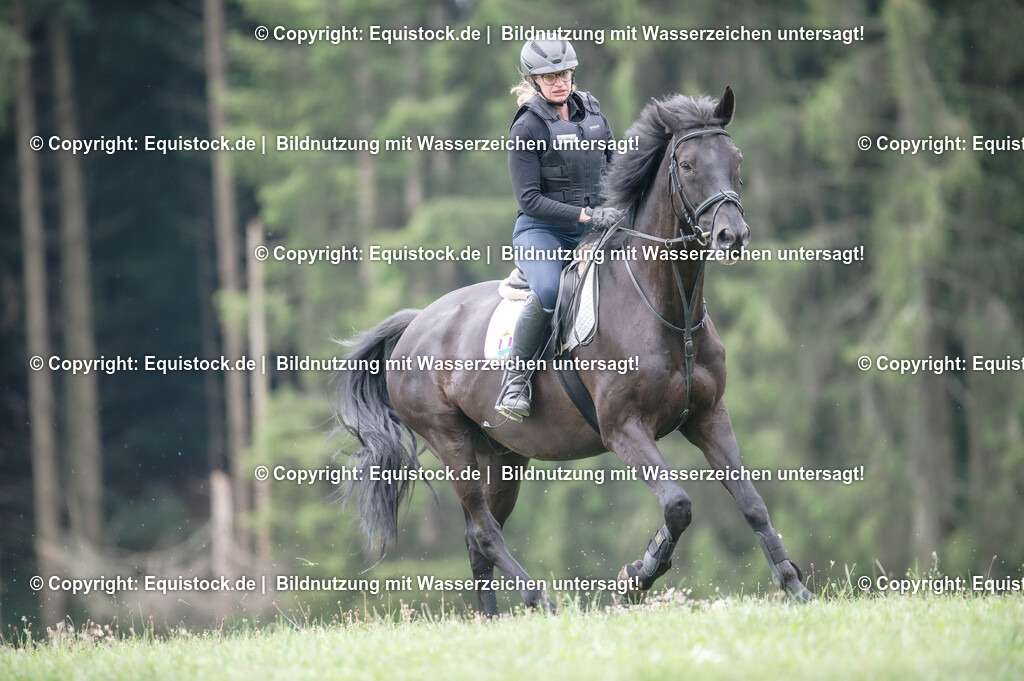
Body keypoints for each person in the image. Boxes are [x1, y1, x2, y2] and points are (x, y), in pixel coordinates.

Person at [495, 39, 623, 421]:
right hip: (542, 232)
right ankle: (514, 379)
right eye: (549, 77)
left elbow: (616, 168)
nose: (559, 83)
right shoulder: (527, 126)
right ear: (533, 81)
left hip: (592, 227)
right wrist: (587, 216)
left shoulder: (594, 113)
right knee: (550, 290)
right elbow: (530, 200)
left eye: (564, 74)